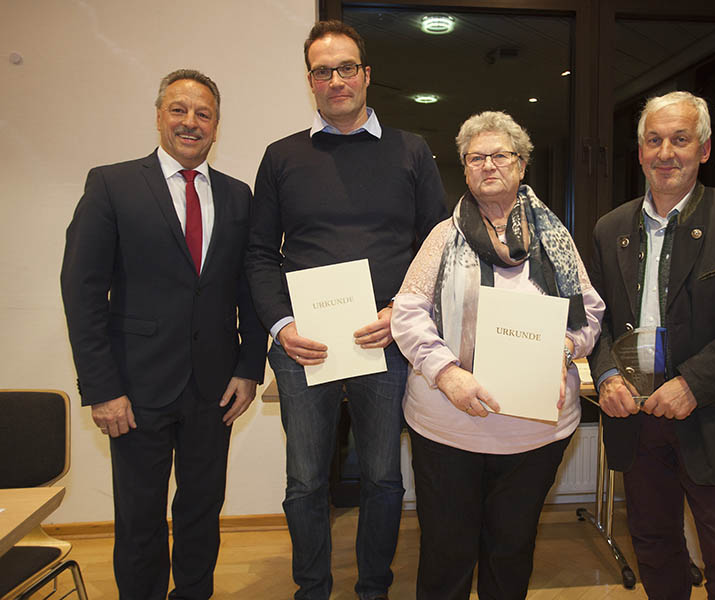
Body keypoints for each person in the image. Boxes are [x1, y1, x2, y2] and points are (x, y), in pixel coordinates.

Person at [244, 20, 447, 600]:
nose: (336, 80)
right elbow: (260, 253)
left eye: (346, 68)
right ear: (310, 80)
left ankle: (373, 589)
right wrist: (282, 327)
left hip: (384, 340)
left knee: (383, 477)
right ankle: (312, 589)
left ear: (366, 74)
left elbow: (436, 248)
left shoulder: (411, 150)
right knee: (305, 481)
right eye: (323, 71)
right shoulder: (281, 156)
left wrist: (401, 314)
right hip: (303, 345)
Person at [60, 69, 267, 600]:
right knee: (139, 517)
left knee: (202, 509)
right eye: (179, 110)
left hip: (215, 388)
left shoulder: (239, 196)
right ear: (158, 116)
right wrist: (101, 388)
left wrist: (249, 368)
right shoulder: (112, 184)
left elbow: (251, 289)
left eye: (203, 114)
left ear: (217, 126)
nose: (190, 122)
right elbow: (82, 292)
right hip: (134, 388)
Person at [390, 110, 605, 599]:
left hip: (534, 435)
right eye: (476, 157)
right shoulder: (444, 237)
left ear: (522, 165)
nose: (489, 165)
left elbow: (589, 313)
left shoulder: (556, 241)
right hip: (449, 427)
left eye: (501, 155)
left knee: (511, 550)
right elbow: (407, 313)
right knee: (446, 552)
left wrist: (564, 348)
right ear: (465, 169)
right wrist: (446, 374)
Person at [588, 91, 715, 599]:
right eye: (653, 140)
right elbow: (594, 322)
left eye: (680, 140)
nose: (665, 153)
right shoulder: (610, 228)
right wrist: (608, 375)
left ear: (703, 148)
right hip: (637, 422)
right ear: (639, 152)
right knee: (655, 549)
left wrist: (692, 384)